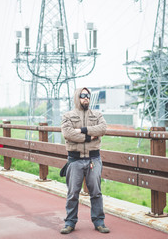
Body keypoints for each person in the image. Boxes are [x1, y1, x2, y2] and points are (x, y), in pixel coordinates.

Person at [60, 87, 109, 234]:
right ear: (77, 97)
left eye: (88, 96)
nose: (86, 98)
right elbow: (67, 134)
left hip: (94, 159)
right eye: (82, 95)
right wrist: (89, 137)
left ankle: (99, 222)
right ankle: (70, 222)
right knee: (73, 193)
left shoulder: (97, 114)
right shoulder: (67, 116)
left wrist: (81, 130)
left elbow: (103, 129)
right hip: (75, 160)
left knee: (96, 192)